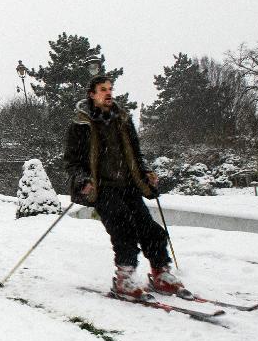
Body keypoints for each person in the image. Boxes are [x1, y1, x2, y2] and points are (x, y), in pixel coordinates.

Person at [63, 75, 185, 299]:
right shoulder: (80, 124)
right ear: (92, 94)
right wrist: (82, 180)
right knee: (123, 227)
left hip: (128, 184)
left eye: (110, 89)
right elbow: (72, 161)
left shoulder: (123, 119)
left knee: (149, 227)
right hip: (102, 187)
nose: (108, 93)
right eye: (102, 89)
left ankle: (160, 272)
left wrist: (145, 173)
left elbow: (135, 153)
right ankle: (124, 278)